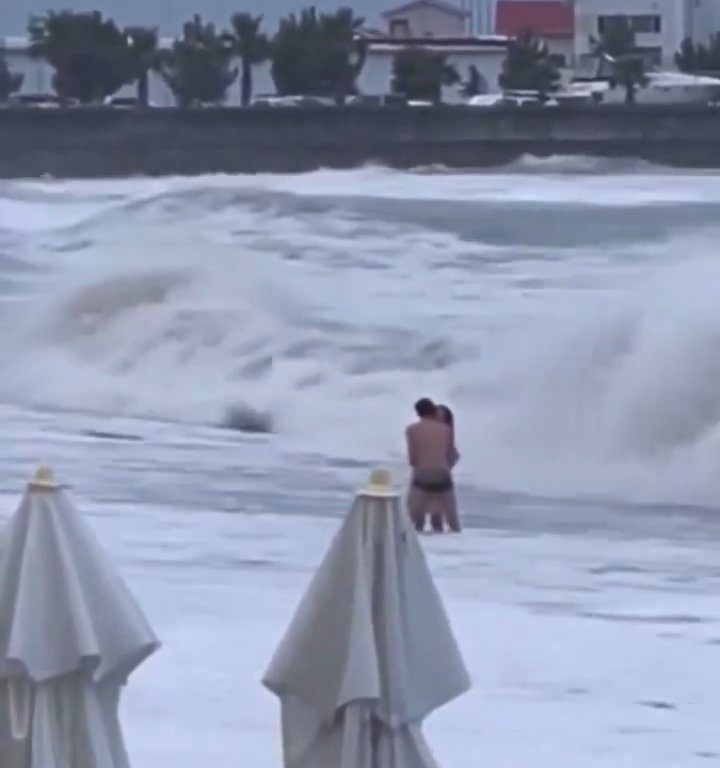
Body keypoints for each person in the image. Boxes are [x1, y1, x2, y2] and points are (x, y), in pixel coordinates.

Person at [405, 398, 461, 534]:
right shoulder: (446, 430)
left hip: (422, 475)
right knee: (450, 513)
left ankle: (413, 530)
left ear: (418, 413)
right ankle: (455, 532)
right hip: (443, 475)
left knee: (414, 507)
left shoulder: (411, 430)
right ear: (433, 411)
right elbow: (452, 455)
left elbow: (413, 460)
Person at [430, 404, 460, 533]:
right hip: (429, 475)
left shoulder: (446, 434)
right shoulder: (431, 433)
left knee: (448, 513)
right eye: (436, 417)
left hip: (442, 476)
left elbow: (453, 455)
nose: (438, 420)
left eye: (441, 417)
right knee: (434, 512)